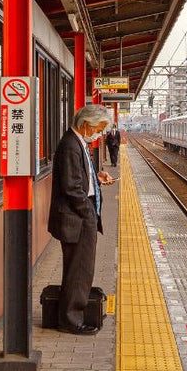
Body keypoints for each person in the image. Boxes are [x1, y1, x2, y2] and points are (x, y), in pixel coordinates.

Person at [49, 105, 115, 335]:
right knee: (79, 270)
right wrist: (87, 212)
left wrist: (96, 177)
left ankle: (72, 313)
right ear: (86, 124)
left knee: (80, 269)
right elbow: (71, 186)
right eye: (99, 129)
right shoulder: (70, 145)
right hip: (77, 219)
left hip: (80, 217)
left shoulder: (78, 143)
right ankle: (71, 319)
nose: (99, 134)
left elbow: (78, 176)